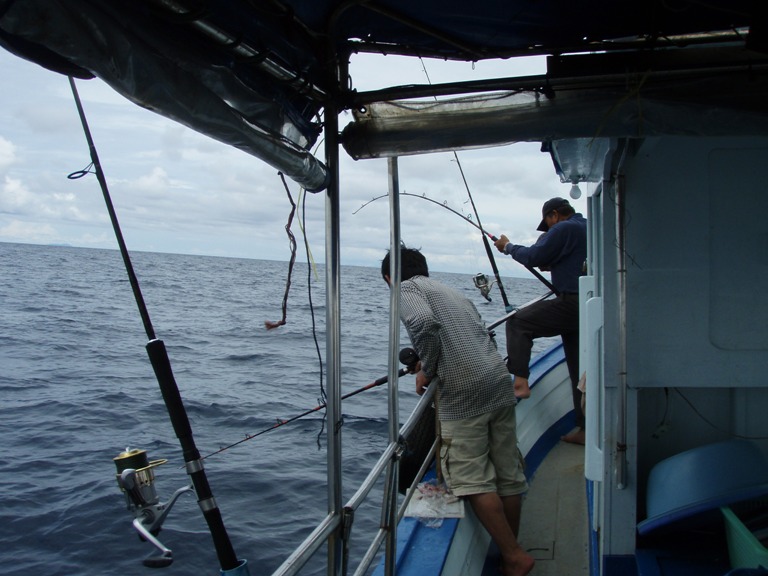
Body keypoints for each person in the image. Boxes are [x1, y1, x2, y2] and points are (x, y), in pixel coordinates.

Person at [381, 246, 534, 576]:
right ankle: (512, 551)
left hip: (464, 395)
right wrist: (429, 357)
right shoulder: (450, 291)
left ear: (390, 277)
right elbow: (477, 333)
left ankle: (514, 555)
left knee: (471, 480)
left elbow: (423, 322)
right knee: (508, 473)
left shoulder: (405, 289)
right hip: (497, 378)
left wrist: (428, 369)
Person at [494, 197, 587, 445]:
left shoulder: (565, 228)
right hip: (589, 306)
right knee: (578, 369)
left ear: (553, 215)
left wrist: (508, 247)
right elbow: (555, 258)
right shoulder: (586, 227)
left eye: (548, 225)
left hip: (572, 303)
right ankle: (585, 428)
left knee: (518, 323)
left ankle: (520, 382)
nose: (549, 230)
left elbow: (534, 255)